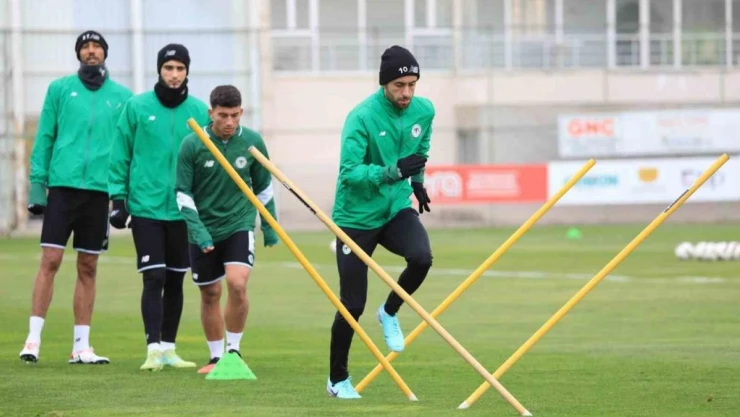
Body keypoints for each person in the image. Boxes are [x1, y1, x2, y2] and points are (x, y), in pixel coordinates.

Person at [326, 45, 434, 399]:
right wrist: (393, 171)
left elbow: (420, 150)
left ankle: (389, 312)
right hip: (356, 217)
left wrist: (416, 183)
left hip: (395, 207)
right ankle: (337, 380)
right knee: (352, 304)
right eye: (399, 85)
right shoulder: (361, 117)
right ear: (384, 83)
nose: (406, 93)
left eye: (412, 85)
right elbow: (349, 173)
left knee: (421, 257)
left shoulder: (424, 110)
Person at [20, 30, 133, 364]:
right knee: (51, 260)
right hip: (63, 188)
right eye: (85, 46)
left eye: (97, 46)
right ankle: (32, 341)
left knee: (88, 265)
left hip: (98, 192)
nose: (91, 51)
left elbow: (126, 149)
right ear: (79, 53)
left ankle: (81, 346)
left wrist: (121, 195)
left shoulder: (122, 97)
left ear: (105, 53)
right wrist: (37, 184)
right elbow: (45, 136)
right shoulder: (59, 89)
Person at [108, 44, 210, 371]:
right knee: (154, 277)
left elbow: (208, 161)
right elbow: (120, 153)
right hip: (146, 207)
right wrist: (118, 199)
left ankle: (168, 348)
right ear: (159, 70)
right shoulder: (137, 107)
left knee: (176, 279)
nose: (174, 74)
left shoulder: (199, 111)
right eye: (169, 68)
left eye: (180, 68)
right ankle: (152, 348)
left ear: (187, 71)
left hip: (184, 210)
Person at [175, 85, 279, 374]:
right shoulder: (192, 144)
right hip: (203, 227)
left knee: (237, 283)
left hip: (239, 223)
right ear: (211, 113)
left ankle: (234, 351)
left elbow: (264, 188)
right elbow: (182, 193)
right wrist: (199, 231)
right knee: (210, 293)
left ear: (241, 112)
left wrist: (269, 226)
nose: (229, 122)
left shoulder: (252, 141)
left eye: (235, 115)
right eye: (223, 116)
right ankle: (215, 357)